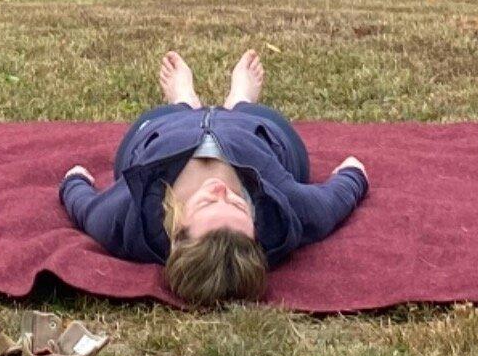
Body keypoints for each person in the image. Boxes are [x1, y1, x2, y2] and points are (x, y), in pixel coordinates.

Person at [60, 49, 369, 306]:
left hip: (164, 129)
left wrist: (74, 181)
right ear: (256, 233)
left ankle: (183, 100)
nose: (221, 190)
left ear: (176, 233)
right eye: (237, 205)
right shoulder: (283, 211)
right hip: (253, 128)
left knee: (156, 121)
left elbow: (86, 208)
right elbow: (330, 204)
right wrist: (353, 174)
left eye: (208, 203)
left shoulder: (126, 215)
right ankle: (241, 100)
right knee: (268, 123)